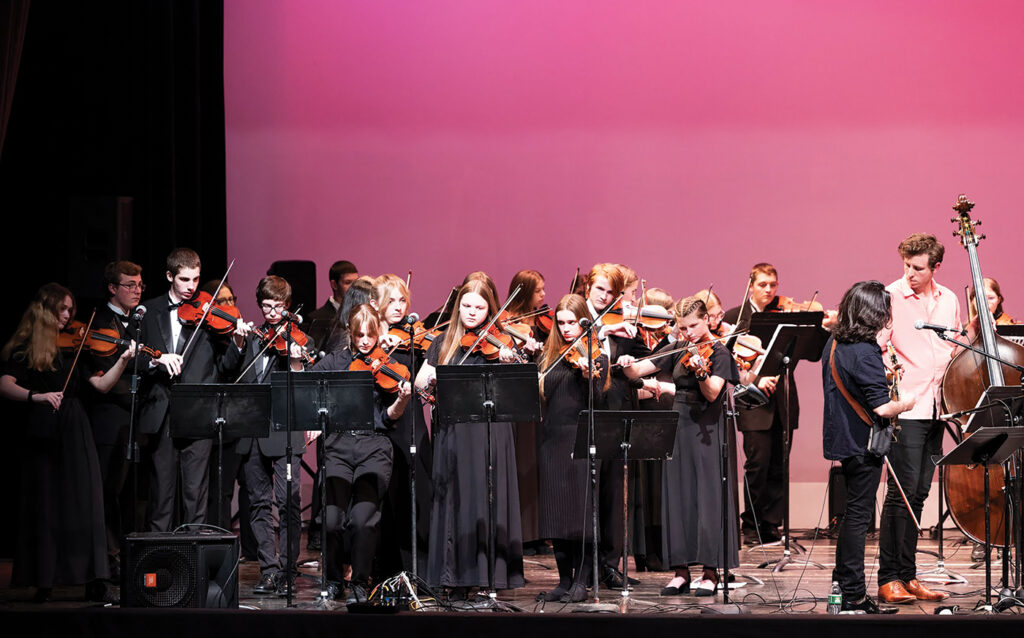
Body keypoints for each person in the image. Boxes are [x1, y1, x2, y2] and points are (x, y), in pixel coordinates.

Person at [0, 283, 138, 602]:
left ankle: (94, 578)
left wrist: (123, 359)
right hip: (42, 427)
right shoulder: (28, 348)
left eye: (69, 310)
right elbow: (5, 384)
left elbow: (101, 385)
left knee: (86, 503)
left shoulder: (76, 348)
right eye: (61, 309)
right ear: (44, 310)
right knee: (46, 504)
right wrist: (36, 396)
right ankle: (44, 579)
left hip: (75, 426)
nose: (67, 316)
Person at [620, 296, 739, 597]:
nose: (688, 332)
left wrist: (701, 372)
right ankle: (681, 572)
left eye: (694, 326)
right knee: (678, 496)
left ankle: (710, 572)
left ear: (708, 321)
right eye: (683, 327)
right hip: (680, 426)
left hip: (707, 429)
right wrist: (626, 363)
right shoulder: (677, 347)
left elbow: (713, 393)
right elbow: (638, 371)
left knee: (707, 497)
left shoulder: (721, 353)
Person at [415, 279, 524, 595]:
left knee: (481, 499)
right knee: (454, 500)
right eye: (466, 306)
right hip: (452, 431)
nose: (472, 313)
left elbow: (517, 383)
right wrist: (432, 376)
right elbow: (421, 381)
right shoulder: (443, 342)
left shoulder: (500, 344)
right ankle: (452, 575)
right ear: (457, 306)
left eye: (479, 307)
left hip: (488, 430)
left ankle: (484, 575)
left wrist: (509, 359)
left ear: (491, 308)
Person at [822, 280, 915, 614]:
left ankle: (842, 586)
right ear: (877, 313)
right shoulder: (864, 351)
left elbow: (852, 385)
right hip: (863, 444)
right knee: (858, 519)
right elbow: (882, 407)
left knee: (851, 516)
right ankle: (854, 594)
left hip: (843, 439)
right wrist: (907, 401)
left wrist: (883, 375)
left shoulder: (835, 342)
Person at [874, 234, 956, 604]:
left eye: (918, 268)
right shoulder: (891, 295)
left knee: (919, 494)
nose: (909, 273)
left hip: (939, 408)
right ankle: (888, 576)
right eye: (906, 265)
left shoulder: (949, 299)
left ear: (935, 267)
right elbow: (877, 346)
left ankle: (908, 575)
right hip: (908, 409)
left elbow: (952, 349)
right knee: (901, 494)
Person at [312, 304, 411, 603]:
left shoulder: (388, 365)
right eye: (360, 335)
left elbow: (391, 416)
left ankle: (359, 582)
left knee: (362, 520)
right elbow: (307, 386)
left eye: (371, 335)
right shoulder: (336, 361)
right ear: (351, 334)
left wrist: (402, 401)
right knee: (330, 520)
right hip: (339, 446)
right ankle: (332, 580)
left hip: (374, 446)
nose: (366, 341)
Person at [223, 275, 312, 597]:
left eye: (278, 306)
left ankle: (288, 569)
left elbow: (305, 386)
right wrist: (237, 343)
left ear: (287, 306)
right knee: (257, 505)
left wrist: (295, 359)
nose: (272, 312)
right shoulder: (251, 336)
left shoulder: (300, 340)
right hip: (251, 429)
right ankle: (269, 570)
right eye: (266, 306)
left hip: (284, 429)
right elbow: (227, 370)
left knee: (288, 503)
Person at [136, 248, 233, 533]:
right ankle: (159, 562)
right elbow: (134, 357)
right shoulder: (149, 310)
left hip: (198, 412)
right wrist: (156, 359)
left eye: (196, 279)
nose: (192, 287)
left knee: (195, 494)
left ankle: (194, 566)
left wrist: (238, 341)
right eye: (185, 279)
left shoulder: (208, 312)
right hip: (161, 410)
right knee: (162, 495)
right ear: (170, 276)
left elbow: (227, 365)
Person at [536, 294, 609, 602]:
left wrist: (588, 374)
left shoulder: (597, 357)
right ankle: (564, 579)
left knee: (580, 513)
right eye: (561, 323)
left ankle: (582, 579)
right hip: (551, 439)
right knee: (555, 513)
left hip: (582, 438)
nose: (566, 329)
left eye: (571, 323)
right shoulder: (549, 356)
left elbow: (599, 400)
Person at [722, 263, 796, 545]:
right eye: (763, 284)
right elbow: (726, 362)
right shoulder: (735, 317)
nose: (768, 290)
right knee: (758, 464)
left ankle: (771, 525)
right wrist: (754, 380)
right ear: (751, 284)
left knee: (779, 463)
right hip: (753, 401)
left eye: (773, 285)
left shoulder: (784, 315)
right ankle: (751, 525)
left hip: (783, 397)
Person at [85, 260, 144, 578]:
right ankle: (108, 558)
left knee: (132, 494)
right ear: (112, 288)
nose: (136, 291)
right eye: (129, 285)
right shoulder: (100, 323)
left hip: (134, 420)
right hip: (109, 421)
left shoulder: (139, 321)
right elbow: (106, 379)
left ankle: (128, 554)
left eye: (139, 285)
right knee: (108, 491)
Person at [372, 274, 433, 577]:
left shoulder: (414, 340)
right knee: (386, 499)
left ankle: (419, 571)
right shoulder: (370, 339)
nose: (398, 307)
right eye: (391, 300)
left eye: (402, 301)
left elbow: (425, 375)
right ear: (376, 304)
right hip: (382, 427)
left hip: (412, 425)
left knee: (418, 495)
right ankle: (387, 572)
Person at [306, 260, 359, 351]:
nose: (354, 287)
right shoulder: (316, 317)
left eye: (356, 282)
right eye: (348, 282)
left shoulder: (360, 313)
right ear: (334, 285)